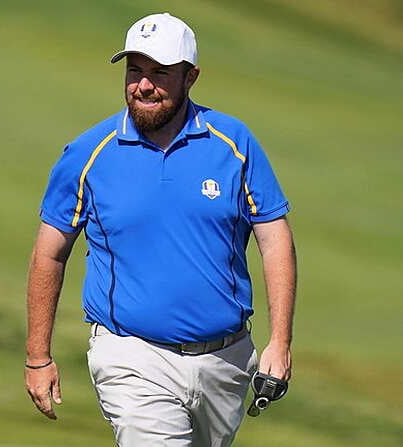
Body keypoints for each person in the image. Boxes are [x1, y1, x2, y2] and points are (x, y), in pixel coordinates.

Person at [24, 12, 296, 447]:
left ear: (191, 77)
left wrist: (279, 344)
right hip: (130, 355)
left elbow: (274, 239)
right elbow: (49, 253)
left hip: (226, 359)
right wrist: (38, 356)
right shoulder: (88, 154)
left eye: (159, 73)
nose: (143, 85)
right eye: (135, 71)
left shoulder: (234, 144)